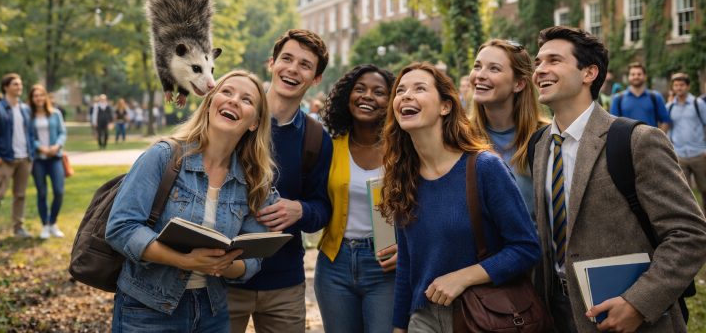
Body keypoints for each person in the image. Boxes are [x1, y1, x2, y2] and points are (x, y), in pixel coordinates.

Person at [531, 26, 706, 333]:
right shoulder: (539, 145)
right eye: (538, 62)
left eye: (554, 60)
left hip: (629, 318)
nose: (540, 70)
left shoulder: (637, 140)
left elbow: (690, 233)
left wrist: (639, 302)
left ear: (589, 73)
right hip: (557, 314)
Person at [106, 70, 277, 332]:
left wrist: (225, 264)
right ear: (209, 103)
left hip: (213, 312)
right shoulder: (163, 156)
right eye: (227, 92)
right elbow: (121, 228)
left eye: (247, 100)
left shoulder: (255, 181)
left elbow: (253, 262)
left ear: (254, 122)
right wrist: (185, 261)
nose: (233, 100)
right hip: (147, 309)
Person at [378, 62, 541, 332]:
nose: (406, 95)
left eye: (420, 88)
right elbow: (407, 264)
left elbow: (526, 248)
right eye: (400, 90)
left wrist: (463, 277)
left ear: (446, 106)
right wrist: (399, 327)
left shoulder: (484, 167)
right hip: (423, 317)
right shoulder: (401, 177)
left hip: (482, 315)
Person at [228, 29, 334, 333]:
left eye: (305, 64)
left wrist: (300, 210)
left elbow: (322, 208)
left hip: (284, 284)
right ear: (271, 63)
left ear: (315, 79)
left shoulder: (316, 138)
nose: (292, 68)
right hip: (222, 276)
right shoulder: (235, 117)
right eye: (286, 58)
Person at [315, 64, 397, 333]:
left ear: (392, 101)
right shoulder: (329, 146)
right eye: (359, 89)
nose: (367, 96)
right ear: (346, 97)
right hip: (334, 263)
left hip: (386, 266)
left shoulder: (404, 150)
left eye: (379, 92)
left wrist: (408, 249)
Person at [468, 39, 551, 223]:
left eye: (494, 68)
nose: (480, 75)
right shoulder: (458, 137)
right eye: (477, 66)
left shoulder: (546, 137)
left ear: (519, 84)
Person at [0, 73, 37, 243]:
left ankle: (18, 228)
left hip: (25, 158)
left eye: (20, 84)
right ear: (6, 87)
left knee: (19, 195)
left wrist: (31, 154)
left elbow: (30, 133)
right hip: (5, 159)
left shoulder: (26, 108)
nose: (19, 87)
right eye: (15, 84)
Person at [28, 85, 68, 240]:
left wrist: (57, 145)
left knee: (59, 191)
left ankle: (53, 222)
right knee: (42, 193)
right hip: (38, 160)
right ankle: (45, 224)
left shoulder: (55, 114)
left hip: (55, 158)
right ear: (31, 99)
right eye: (35, 96)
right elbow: (28, 137)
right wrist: (41, 148)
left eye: (41, 95)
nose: (38, 98)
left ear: (45, 97)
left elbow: (62, 132)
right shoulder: (29, 116)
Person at [667, 73, 706, 214]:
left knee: (704, 189)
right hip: (680, 154)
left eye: (682, 85)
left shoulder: (698, 103)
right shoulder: (670, 106)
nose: (678, 88)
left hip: (699, 153)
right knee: (683, 192)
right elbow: (668, 128)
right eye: (676, 85)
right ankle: (692, 221)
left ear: (688, 86)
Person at [610, 62, 671, 132]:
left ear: (645, 76)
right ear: (629, 77)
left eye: (639, 74)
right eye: (633, 74)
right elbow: (613, 123)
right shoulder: (618, 99)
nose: (636, 77)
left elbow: (665, 120)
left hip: (651, 141)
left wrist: (660, 140)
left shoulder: (656, 97)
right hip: (626, 141)